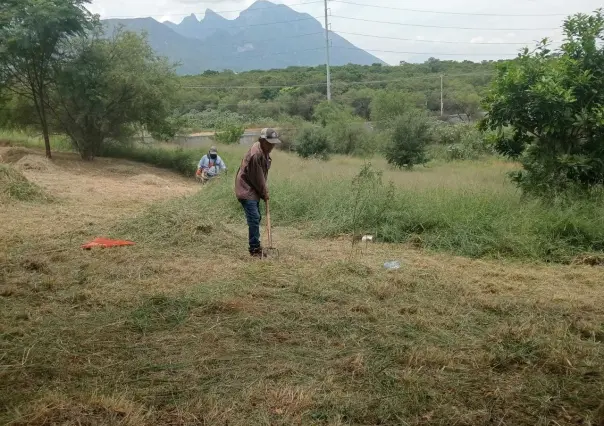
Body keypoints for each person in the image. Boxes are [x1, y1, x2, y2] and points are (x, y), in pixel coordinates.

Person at [235, 128, 281, 257]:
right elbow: (258, 177)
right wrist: (264, 192)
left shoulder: (264, 150)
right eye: (269, 143)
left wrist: (263, 190)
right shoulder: (256, 154)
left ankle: (255, 245)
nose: (272, 146)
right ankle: (254, 249)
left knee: (256, 217)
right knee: (254, 218)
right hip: (246, 189)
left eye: (273, 143)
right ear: (262, 140)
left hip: (253, 189)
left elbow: (261, 176)